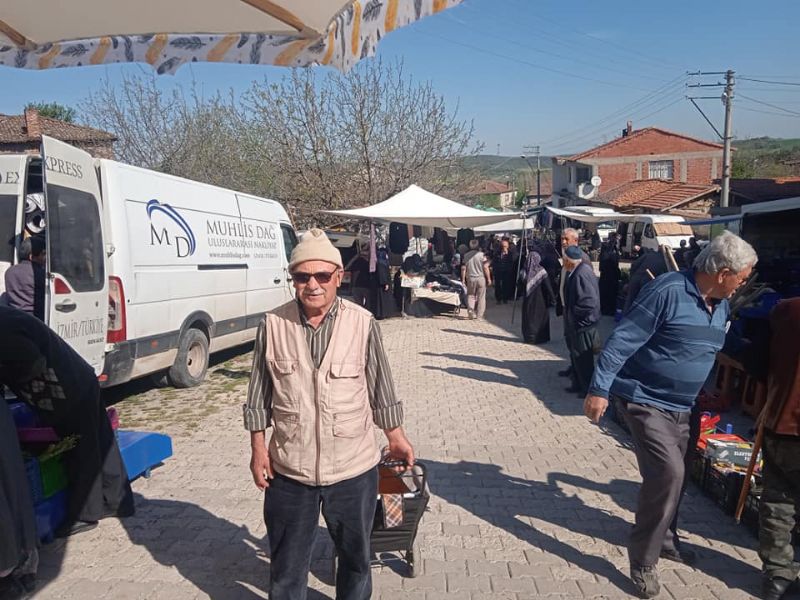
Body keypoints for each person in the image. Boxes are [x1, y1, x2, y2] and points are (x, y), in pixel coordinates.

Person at [583, 231, 757, 599]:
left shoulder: (721, 304)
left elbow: (723, 344)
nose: (744, 284)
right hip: (645, 400)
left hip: (686, 407)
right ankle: (643, 560)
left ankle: (665, 539)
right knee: (668, 473)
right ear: (724, 273)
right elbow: (623, 339)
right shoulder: (668, 291)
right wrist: (598, 389)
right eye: (742, 277)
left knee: (678, 479)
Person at [243, 229, 414, 600]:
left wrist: (396, 437)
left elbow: (380, 386)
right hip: (290, 470)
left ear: (339, 276)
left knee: (355, 563)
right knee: (286, 570)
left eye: (322, 275)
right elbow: (258, 395)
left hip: (353, 469)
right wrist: (258, 450)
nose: (312, 285)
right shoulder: (272, 325)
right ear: (292, 279)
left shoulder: (362, 322)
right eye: (302, 277)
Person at [0, 306, 135, 538]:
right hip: (78, 376)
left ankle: (85, 514)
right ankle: (118, 501)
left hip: (65, 390)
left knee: (79, 449)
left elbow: (33, 365)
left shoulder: (3, 330)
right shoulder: (5, 316)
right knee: (102, 441)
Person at [755, 298, 800, 600]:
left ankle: (777, 576)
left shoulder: (786, 310)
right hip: (782, 421)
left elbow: (756, 362)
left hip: (780, 420)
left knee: (778, 501)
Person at [562, 245, 600, 396]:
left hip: (583, 324)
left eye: (564, 259)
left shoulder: (581, 274)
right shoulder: (576, 271)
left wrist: (574, 313)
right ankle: (578, 384)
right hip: (578, 323)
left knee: (584, 359)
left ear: (569, 261)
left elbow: (589, 302)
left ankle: (587, 389)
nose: (563, 262)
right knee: (576, 356)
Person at [557, 228, 591, 379]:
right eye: (562, 239)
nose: (563, 242)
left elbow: (586, 289)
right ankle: (574, 367)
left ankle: (581, 377)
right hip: (567, 308)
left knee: (579, 344)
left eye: (566, 239)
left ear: (576, 241)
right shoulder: (566, 256)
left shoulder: (582, 259)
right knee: (569, 340)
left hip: (576, 311)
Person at [4, 236, 46, 321]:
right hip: (35, 320)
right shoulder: (39, 274)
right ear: (31, 256)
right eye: (43, 254)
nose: (45, 257)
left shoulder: (9, 271)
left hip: (13, 317)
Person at [521, 246, 556, 344]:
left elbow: (519, 287)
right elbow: (548, 286)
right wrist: (553, 298)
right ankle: (540, 337)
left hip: (528, 299)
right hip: (541, 300)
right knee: (540, 319)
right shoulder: (541, 271)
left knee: (529, 318)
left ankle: (529, 337)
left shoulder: (523, 272)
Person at [623, 247, 669, 314]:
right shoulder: (666, 261)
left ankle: (625, 318)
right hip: (648, 282)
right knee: (642, 303)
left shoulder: (648, 255)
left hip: (636, 278)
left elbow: (634, 265)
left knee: (629, 301)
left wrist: (631, 277)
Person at [461, 239, 491, 320]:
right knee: (481, 297)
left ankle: (470, 310)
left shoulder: (466, 255)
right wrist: (489, 278)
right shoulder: (482, 255)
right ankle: (479, 315)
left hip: (470, 278)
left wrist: (463, 279)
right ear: (478, 246)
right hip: (481, 278)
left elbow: (463, 268)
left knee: (470, 295)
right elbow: (485, 267)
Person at [598, 232, 621, 316]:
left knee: (610, 293)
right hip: (608, 274)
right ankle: (606, 309)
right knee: (607, 292)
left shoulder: (614, 248)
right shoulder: (607, 247)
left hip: (611, 274)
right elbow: (606, 259)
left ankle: (608, 309)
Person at [370, 247, 395, 320]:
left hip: (378, 285)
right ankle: (382, 314)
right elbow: (382, 274)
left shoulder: (379, 262)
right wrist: (385, 283)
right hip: (381, 286)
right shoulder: (381, 263)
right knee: (382, 300)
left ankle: (382, 313)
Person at [492, 238, 517, 304]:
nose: (504, 248)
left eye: (505, 246)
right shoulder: (497, 253)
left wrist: (509, 269)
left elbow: (511, 262)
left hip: (506, 271)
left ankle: (505, 298)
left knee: (506, 285)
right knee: (498, 285)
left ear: (508, 246)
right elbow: (494, 262)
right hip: (498, 271)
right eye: (503, 246)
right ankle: (498, 299)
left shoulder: (510, 254)